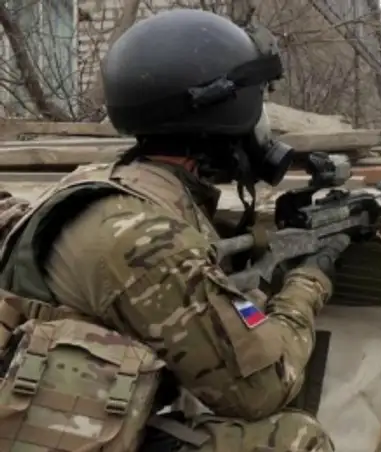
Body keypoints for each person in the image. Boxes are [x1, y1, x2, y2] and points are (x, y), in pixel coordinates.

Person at [0, 8, 347, 452]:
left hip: (40, 408)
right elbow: (263, 388)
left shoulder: (105, 185)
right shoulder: (141, 239)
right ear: (229, 109)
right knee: (294, 440)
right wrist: (309, 280)